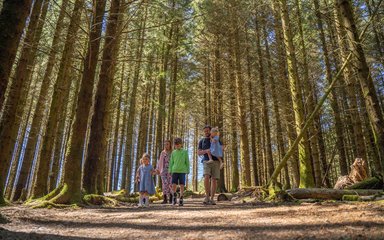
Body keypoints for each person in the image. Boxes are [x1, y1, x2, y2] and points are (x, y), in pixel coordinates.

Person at [198, 125, 220, 205]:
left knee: (214, 179)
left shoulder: (216, 139)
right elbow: (198, 153)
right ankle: (207, 196)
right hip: (206, 161)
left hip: (216, 161)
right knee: (206, 176)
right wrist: (206, 151)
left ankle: (212, 198)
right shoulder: (202, 141)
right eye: (205, 131)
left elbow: (222, 148)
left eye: (207, 131)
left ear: (211, 131)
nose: (206, 132)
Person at [169, 137, 190, 206]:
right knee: (173, 184)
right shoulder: (173, 153)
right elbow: (171, 162)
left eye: (178, 144)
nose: (177, 146)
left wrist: (188, 170)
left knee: (182, 185)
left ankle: (181, 198)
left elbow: (187, 161)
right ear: (174, 145)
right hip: (174, 170)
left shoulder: (185, 152)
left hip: (182, 171)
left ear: (181, 144)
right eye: (176, 144)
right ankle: (174, 196)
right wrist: (170, 170)